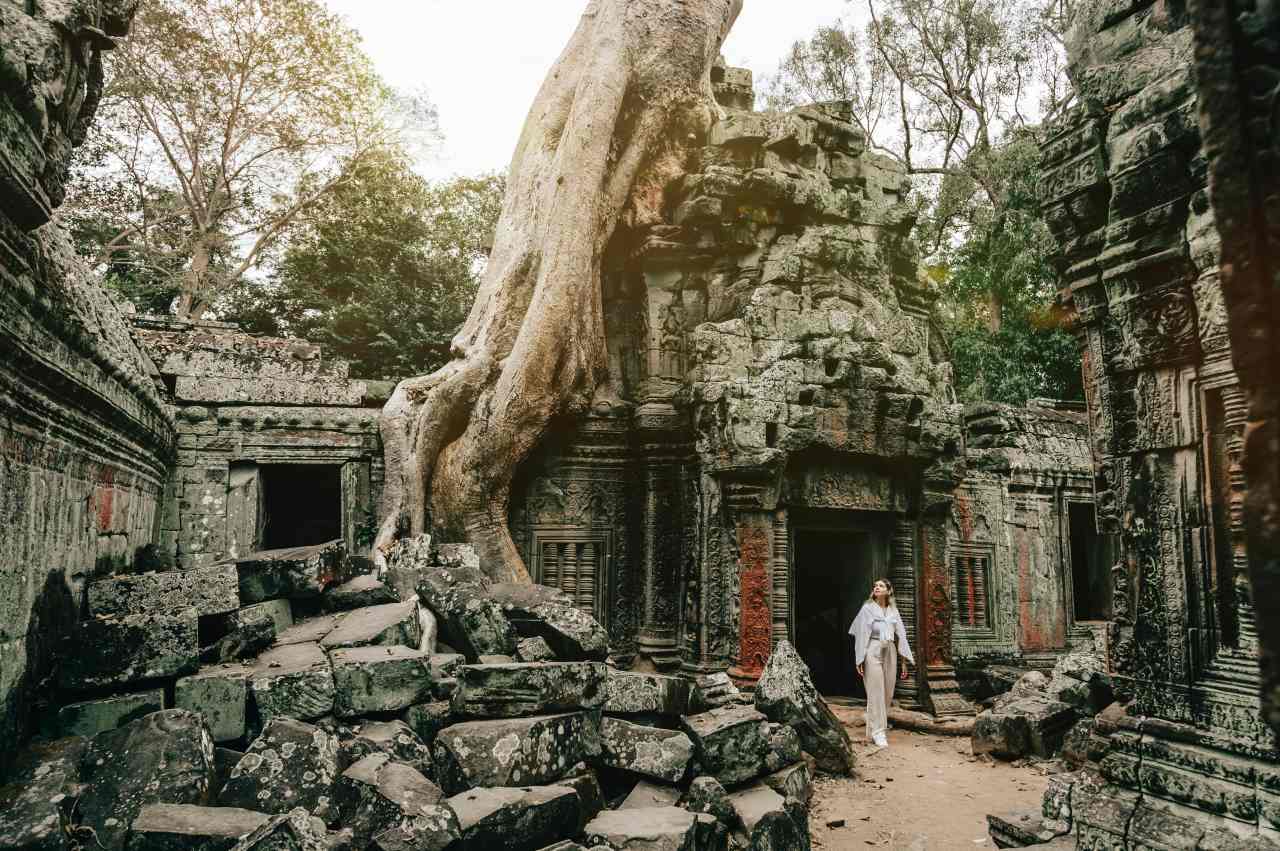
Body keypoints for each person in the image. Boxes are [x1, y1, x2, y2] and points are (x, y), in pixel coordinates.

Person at [849, 578, 913, 748]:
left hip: (890, 650)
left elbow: (902, 635)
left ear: (888, 591)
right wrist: (859, 658)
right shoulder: (867, 609)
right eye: (875, 585)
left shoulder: (893, 610)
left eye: (881, 586)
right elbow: (861, 635)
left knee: (888, 693)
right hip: (873, 649)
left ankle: (874, 723)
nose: (877, 587)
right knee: (875, 690)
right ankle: (879, 732)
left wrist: (904, 661)